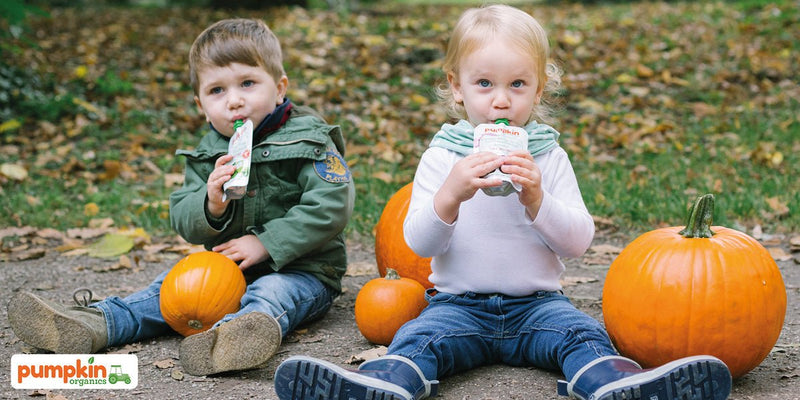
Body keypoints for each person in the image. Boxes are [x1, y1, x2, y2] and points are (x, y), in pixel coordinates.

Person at [273, 5, 731, 400]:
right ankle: (386, 384)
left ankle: (613, 384)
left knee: (583, 333)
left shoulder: (548, 155)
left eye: (517, 84)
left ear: (539, 90)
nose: (500, 101)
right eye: (484, 83)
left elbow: (577, 243)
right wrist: (451, 195)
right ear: (457, 87)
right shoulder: (443, 156)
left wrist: (537, 199)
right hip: (458, 306)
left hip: (537, 306)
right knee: (417, 337)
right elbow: (419, 243)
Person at [7, 18, 355, 377]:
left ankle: (235, 338)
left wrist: (267, 242)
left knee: (272, 293)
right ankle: (95, 323)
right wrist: (211, 204)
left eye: (248, 83)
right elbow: (183, 215)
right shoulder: (208, 153)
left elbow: (331, 204)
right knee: (167, 293)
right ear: (200, 105)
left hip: (304, 271)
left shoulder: (309, 140)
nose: (234, 100)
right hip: (227, 270)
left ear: (279, 88)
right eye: (217, 91)